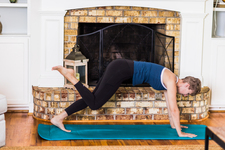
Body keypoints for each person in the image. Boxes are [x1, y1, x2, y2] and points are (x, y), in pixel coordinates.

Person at [51, 59, 201, 138]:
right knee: (95, 104)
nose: (185, 95)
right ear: (187, 85)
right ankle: (71, 76)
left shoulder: (171, 80)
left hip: (120, 68)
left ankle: (58, 118)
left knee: (92, 98)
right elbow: (175, 109)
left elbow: (170, 106)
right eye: (188, 93)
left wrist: (175, 126)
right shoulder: (172, 80)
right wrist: (180, 133)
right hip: (121, 70)